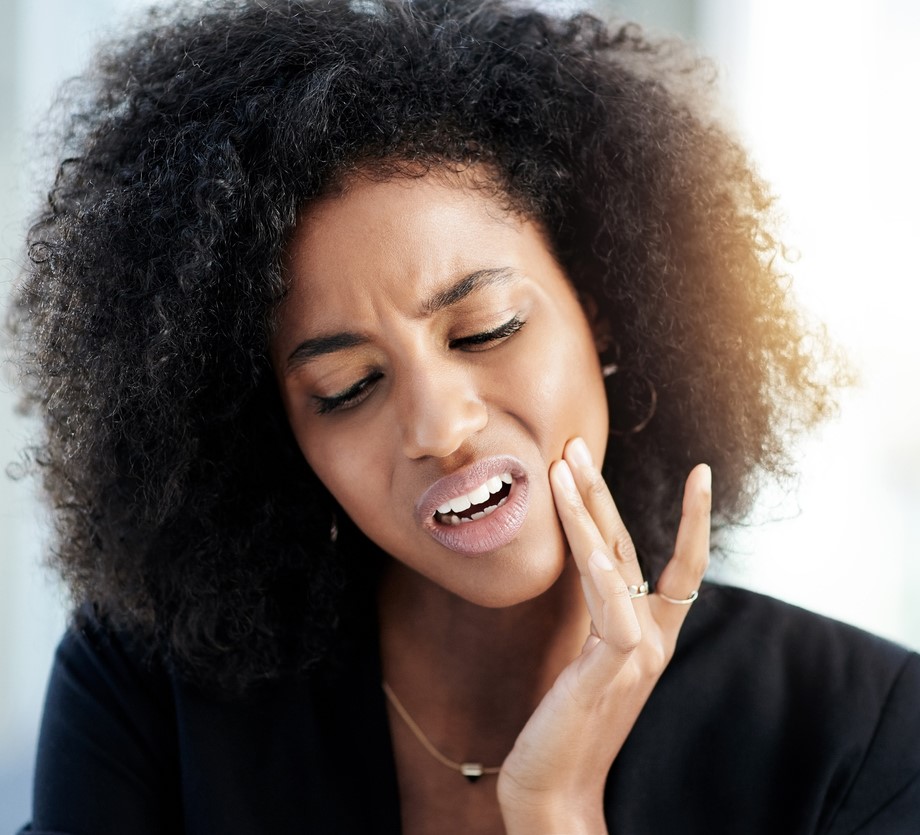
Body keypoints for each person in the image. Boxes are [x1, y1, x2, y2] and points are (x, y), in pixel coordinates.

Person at [9, 0, 919, 832]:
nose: (438, 425)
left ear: (601, 305)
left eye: (486, 328)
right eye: (348, 388)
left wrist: (556, 810)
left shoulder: (864, 731)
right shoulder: (148, 688)